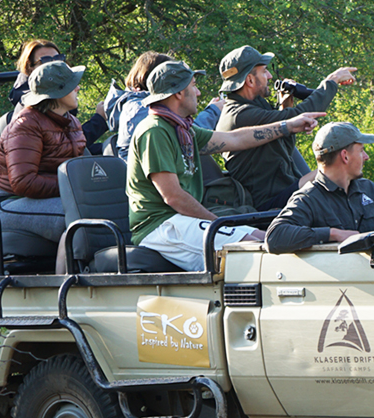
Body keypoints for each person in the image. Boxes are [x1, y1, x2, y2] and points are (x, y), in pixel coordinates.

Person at [127, 60, 323, 271]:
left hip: (179, 220)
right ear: (179, 93)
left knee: (266, 236)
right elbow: (173, 196)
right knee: (255, 246)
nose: (199, 92)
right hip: (161, 225)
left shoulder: (181, 129)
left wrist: (288, 125)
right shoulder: (154, 131)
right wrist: (219, 223)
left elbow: (234, 140)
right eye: (193, 85)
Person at [216, 45, 356, 211]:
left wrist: (285, 109)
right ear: (250, 80)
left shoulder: (249, 108)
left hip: (283, 192)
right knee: (340, 166)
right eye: (264, 71)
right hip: (269, 203)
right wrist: (332, 81)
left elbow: (283, 151)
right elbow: (303, 113)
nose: (269, 76)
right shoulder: (240, 115)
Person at [265, 122, 374, 255]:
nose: (366, 157)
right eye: (361, 150)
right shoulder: (309, 198)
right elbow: (274, 238)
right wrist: (333, 234)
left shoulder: (369, 189)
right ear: (345, 156)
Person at [0, 60, 87, 244]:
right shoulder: (26, 125)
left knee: (107, 208)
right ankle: (67, 272)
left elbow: (78, 170)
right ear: (57, 92)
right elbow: (23, 182)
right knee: (82, 216)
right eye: (72, 85)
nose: (78, 88)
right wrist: (73, 187)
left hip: (56, 196)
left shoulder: (73, 123)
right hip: (11, 203)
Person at [104, 51, 223, 161]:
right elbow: (185, 141)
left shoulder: (136, 107)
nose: (198, 93)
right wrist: (213, 111)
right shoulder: (141, 110)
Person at [7, 39, 107, 148]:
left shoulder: (60, 99)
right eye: (46, 60)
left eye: (59, 59)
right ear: (30, 67)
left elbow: (67, 145)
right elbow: (62, 148)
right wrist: (99, 120)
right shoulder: (29, 114)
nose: (54, 65)